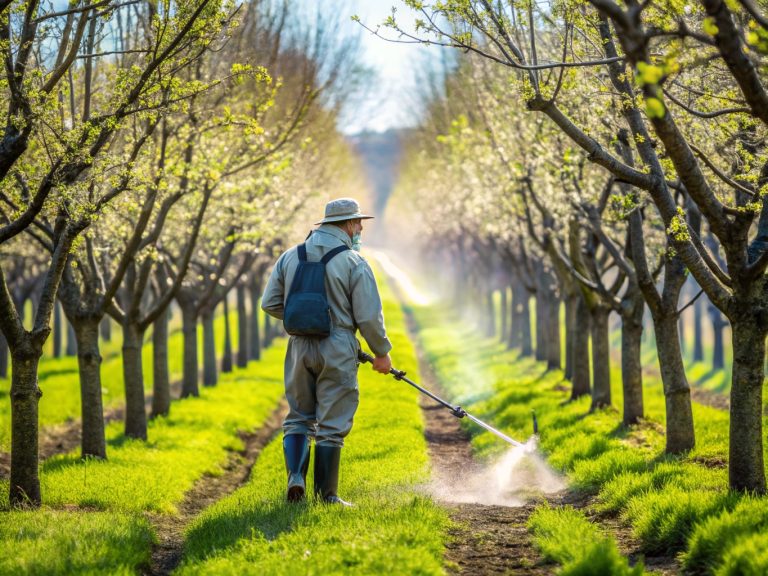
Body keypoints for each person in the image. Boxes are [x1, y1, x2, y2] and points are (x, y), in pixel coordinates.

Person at [261, 198, 393, 506]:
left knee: (298, 417)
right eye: (358, 222)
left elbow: (269, 303)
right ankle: (327, 496)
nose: (360, 228)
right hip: (337, 346)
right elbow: (368, 316)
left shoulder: (290, 256)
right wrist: (381, 353)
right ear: (347, 224)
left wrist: (302, 317)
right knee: (332, 423)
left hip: (298, 345)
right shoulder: (353, 262)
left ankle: (296, 476)